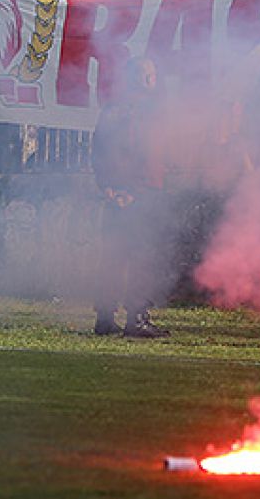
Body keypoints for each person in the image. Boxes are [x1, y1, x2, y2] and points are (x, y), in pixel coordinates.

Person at [90, 58, 171, 338]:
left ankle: (104, 318)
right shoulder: (143, 111)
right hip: (140, 193)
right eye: (147, 75)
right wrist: (130, 190)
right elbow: (139, 153)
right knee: (140, 257)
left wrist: (108, 188)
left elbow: (98, 151)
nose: (153, 80)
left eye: (153, 74)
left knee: (114, 257)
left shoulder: (112, 110)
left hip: (121, 192)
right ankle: (136, 320)